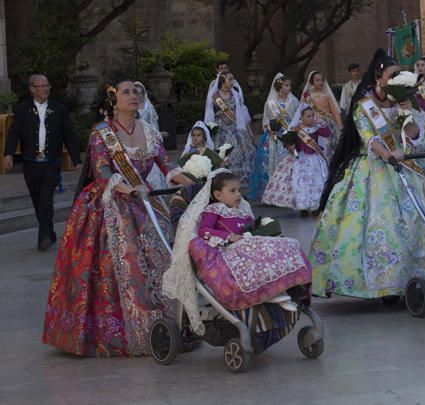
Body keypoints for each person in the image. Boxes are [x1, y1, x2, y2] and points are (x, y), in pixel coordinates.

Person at [42, 80, 194, 356]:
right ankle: (125, 329)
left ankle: (168, 324)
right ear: (113, 101)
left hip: (145, 204)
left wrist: (193, 180)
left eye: (136, 91)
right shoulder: (102, 133)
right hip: (109, 205)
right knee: (121, 264)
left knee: (165, 257)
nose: (134, 96)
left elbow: (166, 163)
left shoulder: (149, 131)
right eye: (126, 92)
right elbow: (101, 172)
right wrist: (128, 188)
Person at [310, 50, 425, 299]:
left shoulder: (399, 101)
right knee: (379, 221)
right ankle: (383, 283)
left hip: (401, 165)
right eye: (393, 75)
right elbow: (369, 137)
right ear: (379, 75)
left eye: (400, 75)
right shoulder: (364, 105)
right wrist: (387, 156)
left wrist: (407, 112)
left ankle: (418, 277)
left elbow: (413, 133)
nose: (397, 78)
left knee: (419, 217)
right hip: (373, 166)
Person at [163, 170, 311, 338]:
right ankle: (271, 294)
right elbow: (204, 231)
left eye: (239, 190)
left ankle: (282, 288)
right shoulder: (214, 210)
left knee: (284, 245)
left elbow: (250, 227)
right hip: (228, 249)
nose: (238, 194)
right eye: (232, 191)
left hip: (245, 243)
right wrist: (228, 236)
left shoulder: (241, 212)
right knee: (251, 261)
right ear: (218, 195)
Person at [3, 74, 82, 251]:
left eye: (47, 85)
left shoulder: (59, 109)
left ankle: (43, 237)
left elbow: (69, 136)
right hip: (30, 162)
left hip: (51, 163)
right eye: (41, 86)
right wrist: (8, 154)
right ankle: (50, 232)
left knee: (46, 199)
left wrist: (77, 160)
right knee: (37, 199)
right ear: (32, 89)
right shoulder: (22, 110)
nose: (46, 89)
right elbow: (13, 133)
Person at [262, 105, 331, 215]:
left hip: (314, 159)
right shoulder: (296, 129)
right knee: (301, 182)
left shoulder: (316, 127)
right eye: (308, 116)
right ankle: (303, 206)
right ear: (301, 117)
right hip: (301, 160)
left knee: (317, 182)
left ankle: (316, 205)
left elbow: (327, 134)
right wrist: (290, 146)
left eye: (312, 116)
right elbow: (288, 141)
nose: (311, 118)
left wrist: (322, 123)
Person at [206, 72, 256, 196]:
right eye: (230, 79)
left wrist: (248, 130)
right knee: (224, 155)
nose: (233, 81)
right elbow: (210, 113)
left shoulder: (236, 95)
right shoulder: (215, 96)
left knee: (242, 154)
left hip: (236, 129)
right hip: (222, 130)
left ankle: (239, 185)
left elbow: (241, 114)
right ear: (223, 80)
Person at [262, 73, 300, 177]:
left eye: (290, 85)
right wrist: (271, 129)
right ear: (279, 86)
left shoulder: (294, 101)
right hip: (278, 137)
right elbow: (266, 120)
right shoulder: (270, 103)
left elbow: (298, 117)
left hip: (291, 134)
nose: (289, 88)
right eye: (286, 85)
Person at [302, 70, 343, 159]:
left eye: (322, 80)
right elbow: (301, 111)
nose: (320, 82)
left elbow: (335, 111)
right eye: (317, 80)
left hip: (326, 125)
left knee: (327, 148)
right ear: (312, 81)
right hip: (311, 125)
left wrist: (339, 124)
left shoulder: (326, 95)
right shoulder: (306, 96)